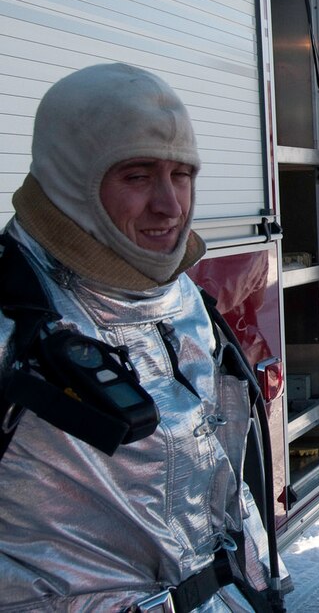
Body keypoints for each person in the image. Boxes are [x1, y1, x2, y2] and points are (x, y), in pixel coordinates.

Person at [0, 64, 285, 612]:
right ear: (68, 175)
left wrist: (262, 583)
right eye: (136, 175)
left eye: (181, 175)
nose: (171, 206)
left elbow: (222, 483)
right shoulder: (17, 321)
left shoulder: (183, 299)